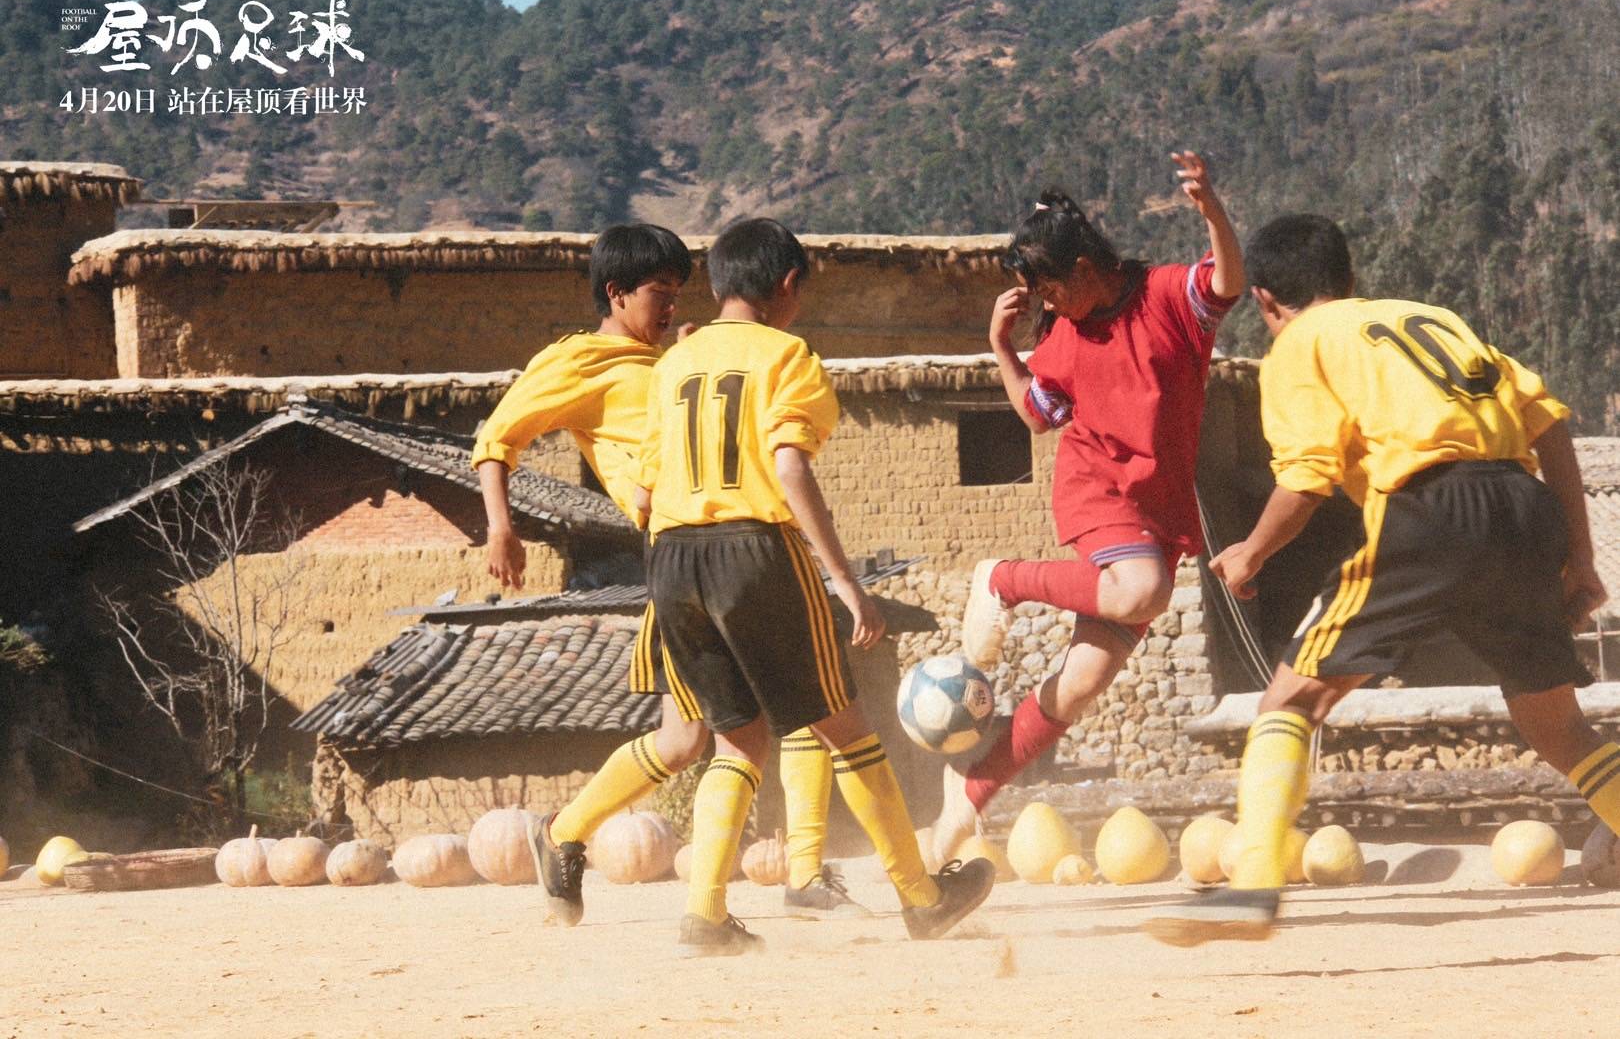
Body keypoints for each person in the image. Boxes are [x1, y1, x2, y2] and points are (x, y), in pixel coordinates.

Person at [1144, 213, 1612, 946]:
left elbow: (1307, 479)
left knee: (1293, 697)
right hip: (1524, 509)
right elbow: (1549, 425)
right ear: (1350, 279)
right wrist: (1579, 559)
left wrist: (1251, 554)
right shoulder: (1432, 317)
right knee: (1557, 724)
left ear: (1265, 301)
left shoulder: (1299, 344)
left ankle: (1254, 886)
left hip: (1427, 506)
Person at [472, 223, 855, 928]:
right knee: (715, 730)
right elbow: (498, 438)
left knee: (755, 712)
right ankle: (565, 834)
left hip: (732, 548)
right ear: (616, 294)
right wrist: (502, 526)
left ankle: (803, 871)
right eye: (659, 293)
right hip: (686, 560)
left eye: (680, 292)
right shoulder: (578, 362)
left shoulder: (675, 358)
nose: (673, 306)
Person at [636, 217, 996, 956]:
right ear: (788, 286)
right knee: (846, 726)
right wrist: (848, 583)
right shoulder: (790, 355)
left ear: (716, 284)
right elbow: (790, 465)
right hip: (754, 551)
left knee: (736, 741)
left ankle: (705, 915)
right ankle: (923, 898)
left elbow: (644, 492)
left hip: (670, 557)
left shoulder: (673, 364)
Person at [935, 152, 1244, 864]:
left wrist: (1211, 209)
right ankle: (1003, 578)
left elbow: (1228, 281)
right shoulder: (1064, 338)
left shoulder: (1169, 298)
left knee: (1077, 687)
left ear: (1082, 268)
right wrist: (1000, 348)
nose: (1045, 306)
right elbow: (1038, 415)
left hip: (1156, 515)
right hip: (1097, 497)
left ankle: (968, 789)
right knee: (1141, 590)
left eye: (1048, 289)